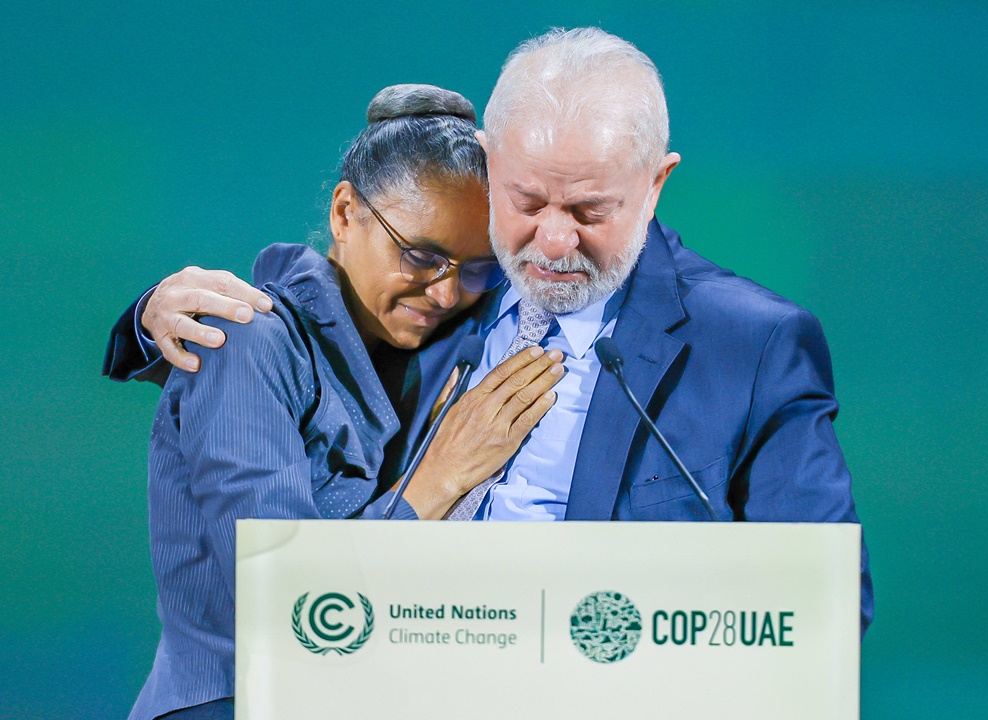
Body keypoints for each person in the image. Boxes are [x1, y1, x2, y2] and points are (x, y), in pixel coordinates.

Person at [107, 29, 872, 637]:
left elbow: (825, 604)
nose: (553, 242)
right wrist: (149, 316)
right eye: (527, 199)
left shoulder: (752, 345)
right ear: (491, 170)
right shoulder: (451, 288)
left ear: (655, 184)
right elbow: (302, 325)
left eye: (590, 210)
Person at [116, 84, 567, 720]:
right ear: (345, 213)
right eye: (421, 256)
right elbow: (280, 602)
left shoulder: (447, 340)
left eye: (476, 268)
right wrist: (440, 478)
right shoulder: (247, 342)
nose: (445, 294)